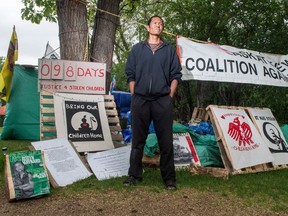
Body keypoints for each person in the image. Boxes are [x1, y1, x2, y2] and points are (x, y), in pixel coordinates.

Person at [124, 15, 182, 190]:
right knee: (137, 140)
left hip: (162, 100)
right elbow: (130, 73)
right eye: (155, 23)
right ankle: (134, 175)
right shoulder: (137, 49)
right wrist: (134, 92)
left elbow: (176, 75)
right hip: (140, 100)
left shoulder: (169, 50)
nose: (158, 25)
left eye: (161, 23)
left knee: (165, 141)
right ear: (148, 28)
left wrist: (169, 95)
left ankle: (169, 179)